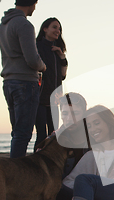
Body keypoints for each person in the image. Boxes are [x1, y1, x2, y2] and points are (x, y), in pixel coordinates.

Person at [0, 0, 46, 158]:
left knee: (17, 132)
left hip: (9, 82)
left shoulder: (3, 26)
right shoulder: (24, 25)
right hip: (25, 83)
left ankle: (14, 168)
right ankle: (16, 172)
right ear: (31, 3)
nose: (35, 8)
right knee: (23, 133)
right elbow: (32, 59)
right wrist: (43, 67)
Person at [34, 17, 68, 147]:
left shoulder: (57, 50)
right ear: (45, 29)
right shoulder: (37, 47)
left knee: (54, 134)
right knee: (41, 135)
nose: (58, 31)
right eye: (54, 27)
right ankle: (37, 164)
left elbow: (63, 75)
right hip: (40, 98)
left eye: (59, 29)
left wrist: (62, 57)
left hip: (55, 99)